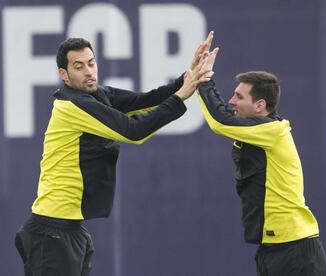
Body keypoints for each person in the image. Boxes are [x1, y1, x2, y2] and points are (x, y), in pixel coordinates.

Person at [14, 34, 215, 276]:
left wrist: (187, 76)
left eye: (91, 62)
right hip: (52, 231)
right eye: (79, 66)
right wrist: (181, 95)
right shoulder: (73, 105)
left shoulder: (98, 95)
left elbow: (146, 101)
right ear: (64, 75)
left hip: (69, 230)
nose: (88, 71)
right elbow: (134, 131)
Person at [197, 63, 326, 274]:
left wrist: (202, 80)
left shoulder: (273, 131)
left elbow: (219, 121)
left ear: (260, 105)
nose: (231, 101)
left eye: (239, 97)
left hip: (295, 250)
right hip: (271, 249)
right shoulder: (254, 132)